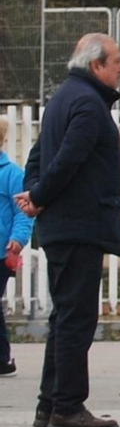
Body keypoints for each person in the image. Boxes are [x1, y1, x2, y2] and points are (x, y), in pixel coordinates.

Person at [17, 35, 120, 427]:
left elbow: (38, 156)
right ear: (96, 65)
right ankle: (67, 406)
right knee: (76, 318)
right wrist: (39, 196)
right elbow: (67, 159)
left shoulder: (63, 98)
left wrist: (35, 194)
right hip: (80, 225)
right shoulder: (87, 103)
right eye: (116, 61)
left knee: (64, 315)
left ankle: (49, 405)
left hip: (64, 225)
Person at [1, 117, 32, 378]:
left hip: (2, 252)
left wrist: (19, 238)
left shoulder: (12, 174)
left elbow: (22, 211)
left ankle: (2, 358)